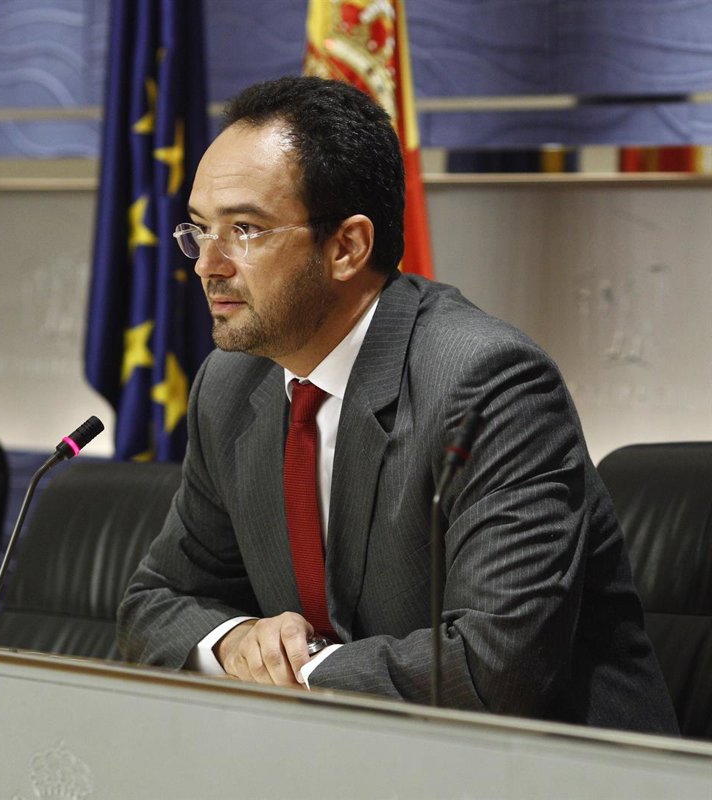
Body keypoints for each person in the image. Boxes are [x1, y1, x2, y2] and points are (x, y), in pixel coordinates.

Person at [116, 75, 677, 734]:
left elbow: (493, 667)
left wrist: (302, 670)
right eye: (199, 229)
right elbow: (155, 602)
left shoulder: (489, 385)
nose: (206, 264)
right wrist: (236, 641)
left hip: (554, 767)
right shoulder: (232, 384)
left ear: (347, 247)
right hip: (349, 761)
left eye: (244, 230)